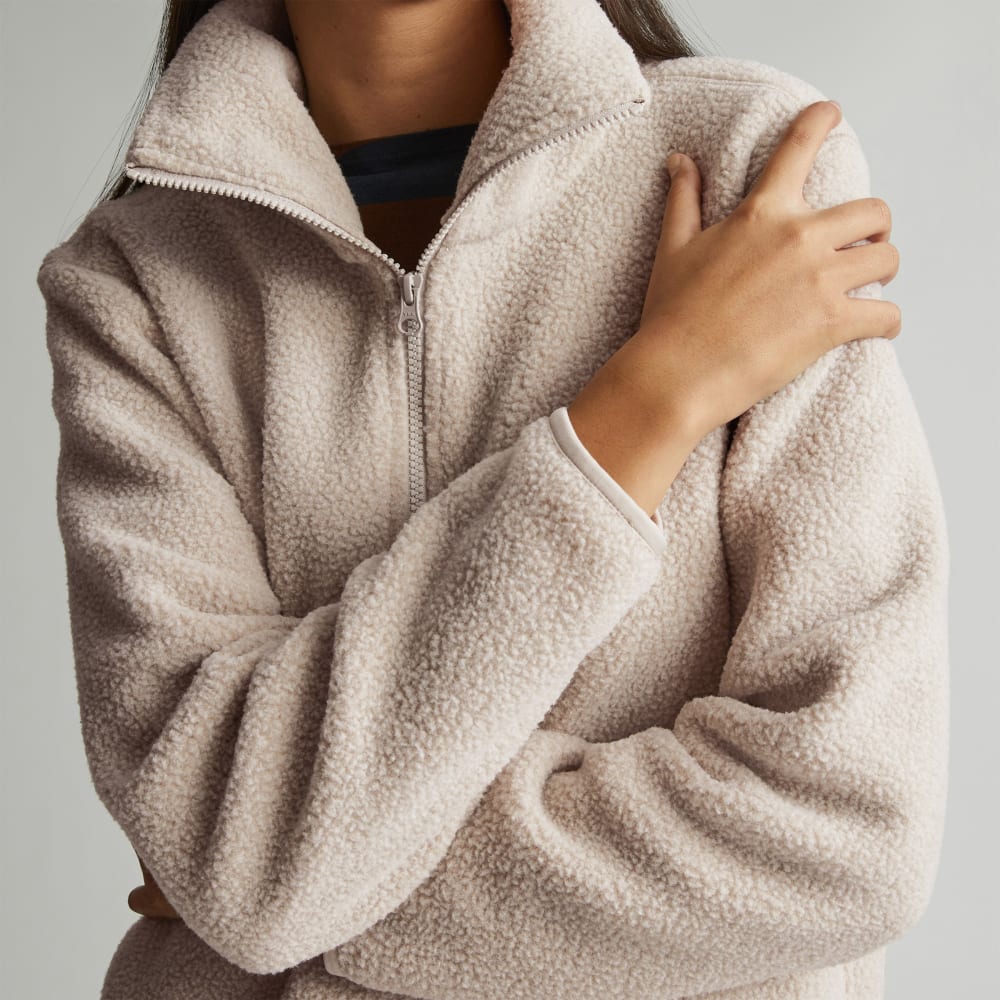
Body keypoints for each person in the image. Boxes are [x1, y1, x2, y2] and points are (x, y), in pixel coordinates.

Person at [36, 1, 949, 998]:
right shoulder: (134, 277)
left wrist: (287, 870)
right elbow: (233, 856)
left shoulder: (751, 171)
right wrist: (649, 402)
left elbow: (847, 834)